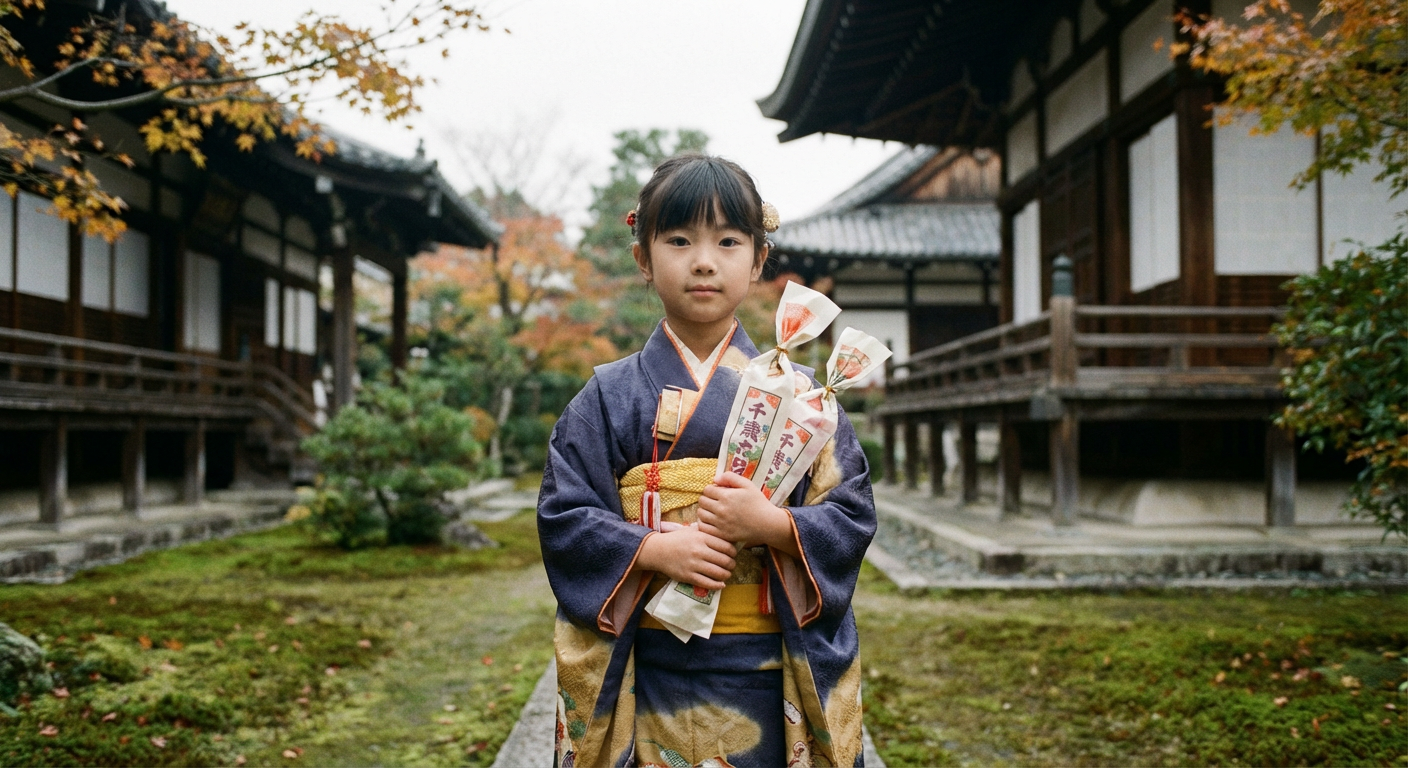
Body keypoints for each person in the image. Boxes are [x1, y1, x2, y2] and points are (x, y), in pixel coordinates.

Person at [538, 154, 876, 768]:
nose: (703, 260)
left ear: (758, 259)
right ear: (643, 257)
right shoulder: (607, 396)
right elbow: (564, 517)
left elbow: (851, 515)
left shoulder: (806, 399)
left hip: (768, 674)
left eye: (727, 241)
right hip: (648, 668)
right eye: (678, 240)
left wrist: (773, 525)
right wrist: (650, 550)